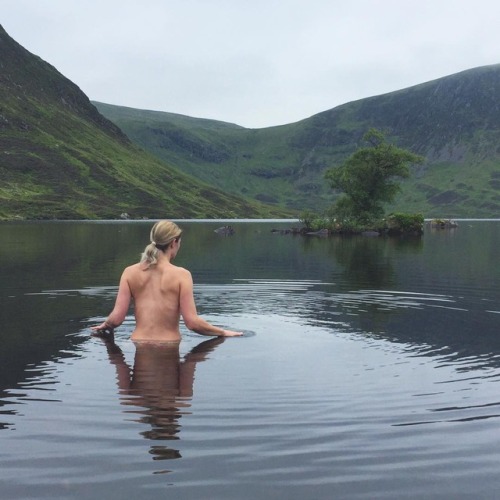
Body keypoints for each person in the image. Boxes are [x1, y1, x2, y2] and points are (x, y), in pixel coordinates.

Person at [91, 220, 242, 341]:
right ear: (173, 243)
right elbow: (192, 323)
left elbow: (116, 319)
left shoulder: (129, 272)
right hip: (169, 346)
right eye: (179, 243)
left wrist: (106, 324)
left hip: (137, 341)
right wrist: (222, 332)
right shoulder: (182, 275)